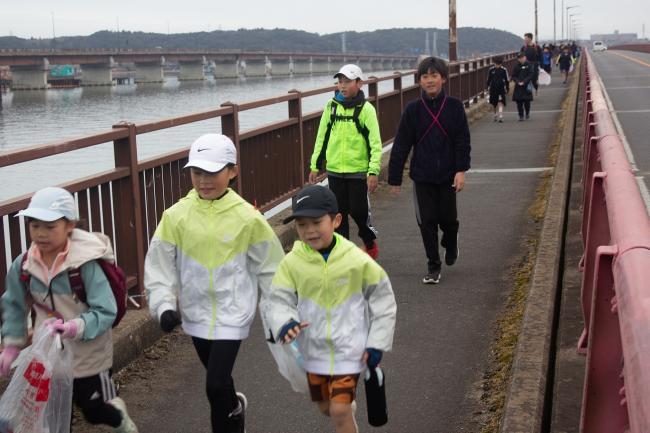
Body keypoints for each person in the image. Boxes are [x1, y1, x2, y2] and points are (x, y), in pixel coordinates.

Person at [144, 134, 284, 433]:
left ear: (232, 171)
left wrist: (282, 312)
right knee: (220, 385)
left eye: (213, 173)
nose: (204, 181)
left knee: (214, 384)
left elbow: (272, 268)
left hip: (233, 311)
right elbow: (159, 265)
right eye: (197, 173)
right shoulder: (176, 216)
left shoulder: (247, 217)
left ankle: (228, 418)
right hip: (195, 314)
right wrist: (164, 305)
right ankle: (234, 409)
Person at [0, 187, 138, 433]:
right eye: (34, 226)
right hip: (48, 358)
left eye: (50, 227)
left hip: (89, 355)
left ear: (70, 225)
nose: (41, 234)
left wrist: (75, 327)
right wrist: (11, 345)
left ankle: (118, 417)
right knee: (53, 418)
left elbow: (106, 310)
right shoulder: (23, 265)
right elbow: (14, 305)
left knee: (94, 410)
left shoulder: (85, 265)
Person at [260, 184, 396, 433]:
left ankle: (345, 409)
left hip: (350, 349)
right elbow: (278, 299)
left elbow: (383, 299)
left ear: (336, 220)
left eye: (316, 222)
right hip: (314, 350)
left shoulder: (355, 259)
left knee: (339, 411)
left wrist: (376, 343)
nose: (309, 231)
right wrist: (286, 323)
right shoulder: (292, 263)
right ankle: (343, 407)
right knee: (325, 407)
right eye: (302, 225)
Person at [387, 56, 471, 284]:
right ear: (419, 81)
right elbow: (402, 144)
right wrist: (394, 178)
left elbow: (463, 141)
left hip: (448, 175)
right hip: (422, 176)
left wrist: (461, 170)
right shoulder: (413, 110)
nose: (430, 80)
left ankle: (451, 241)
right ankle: (433, 266)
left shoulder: (454, 107)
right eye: (425, 76)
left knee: (449, 220)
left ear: (443, 78)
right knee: (427, 222)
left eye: (434, 75)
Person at [308, 64, 383, 259]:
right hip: (334, 171)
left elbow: (375, 142)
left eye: (347, 81)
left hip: (358, 171)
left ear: (359, 83)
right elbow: (321, 137)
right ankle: (344, 254)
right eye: (340, 81)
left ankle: (368, 240)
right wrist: (315, 165)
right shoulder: (331, 107)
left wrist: (373, 171)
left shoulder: (366, 109)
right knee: (338, 215)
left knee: (359, 211)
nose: (342, 86)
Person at [511, 52, 535, 121]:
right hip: (518, 86)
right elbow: (513, 76)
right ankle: (521, 115)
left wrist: (524, 82)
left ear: (525, 57)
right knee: (519, 102)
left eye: (522, 58)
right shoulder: (516, 66)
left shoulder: (529, 64)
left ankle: (527, 113)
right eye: (519, 58)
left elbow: (531, 74)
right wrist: (518, 82)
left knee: (527, 101)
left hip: (526, 85)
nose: (521, 59)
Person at [486, 56, 510, 123]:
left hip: (501, 88)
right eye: (496, 64)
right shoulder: (491, 70)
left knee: (500, 102)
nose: (497, 65)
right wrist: (487, 87)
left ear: (501, 64)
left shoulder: (504, 70)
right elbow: (488, 80)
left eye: (499, 64)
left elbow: (507, 80)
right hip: (493, 88)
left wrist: (507, 88)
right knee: (494, 103)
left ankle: (500, 116)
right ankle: (495, 114)